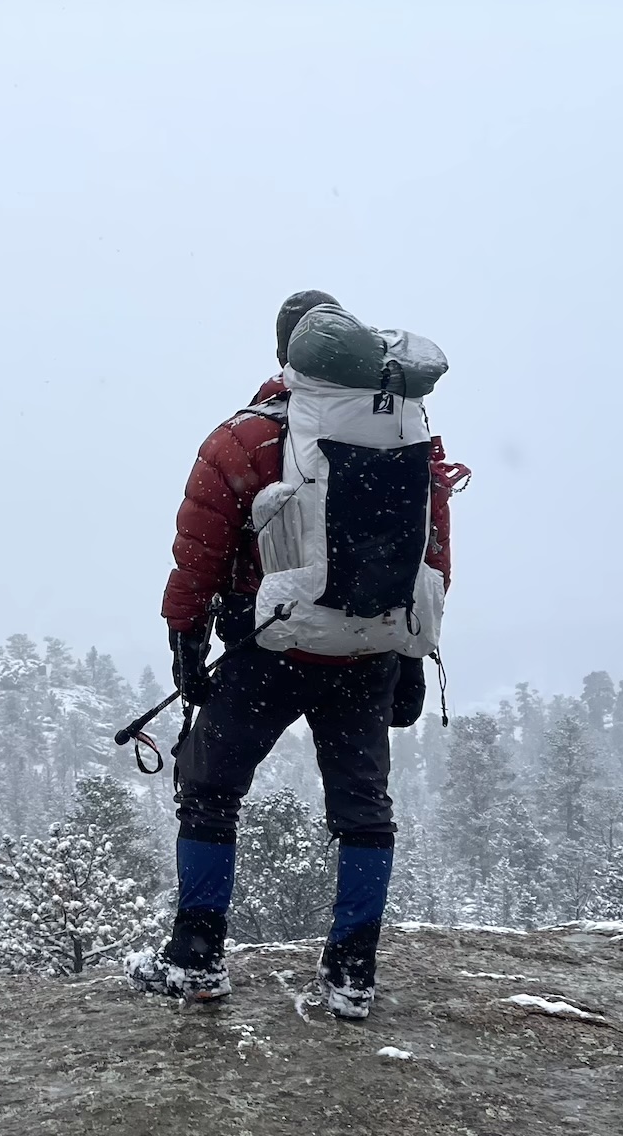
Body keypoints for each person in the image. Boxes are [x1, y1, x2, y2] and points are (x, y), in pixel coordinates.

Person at [125, 290, 457, 1018]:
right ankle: (351, 978)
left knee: (210, 790)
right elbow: (431, 554)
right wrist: (409, 655)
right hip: (369, 649)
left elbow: (198, 559)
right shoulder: (404, 435)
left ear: (285, 354)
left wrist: (186, 645)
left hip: (267, 647)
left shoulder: (242, 440)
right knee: (364, 812)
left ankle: (197, 962)